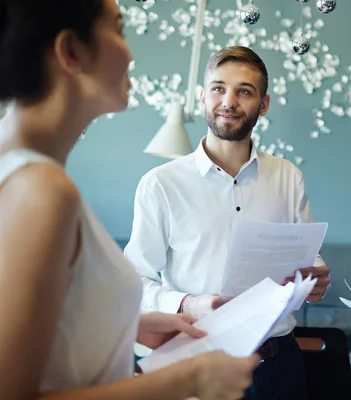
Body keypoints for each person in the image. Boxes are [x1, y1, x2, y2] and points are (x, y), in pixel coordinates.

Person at [0, 1, 260, 399]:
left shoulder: (28, 174)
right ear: (71, 52)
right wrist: (190, 379)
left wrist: (128, 324)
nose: (131, 53)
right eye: (118, 29)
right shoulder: (41, 190)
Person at [124, 45, 331, 400]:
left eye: (244, 91)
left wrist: (316, 277)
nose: (229, 101)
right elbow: (135, 283)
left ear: (263, 104)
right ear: (203, 97)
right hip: (197, 365)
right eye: (219, 88)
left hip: (280, 366)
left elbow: (308, 257)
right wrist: (189, 303)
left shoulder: (288, 176)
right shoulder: (160, 184)